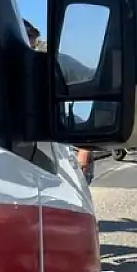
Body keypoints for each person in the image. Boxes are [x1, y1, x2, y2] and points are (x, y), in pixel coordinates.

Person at [26, 17, 95, 182]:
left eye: (32, 46)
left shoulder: (50, 62)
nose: (29, 51)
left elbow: (96, 80)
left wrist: (85, 147)